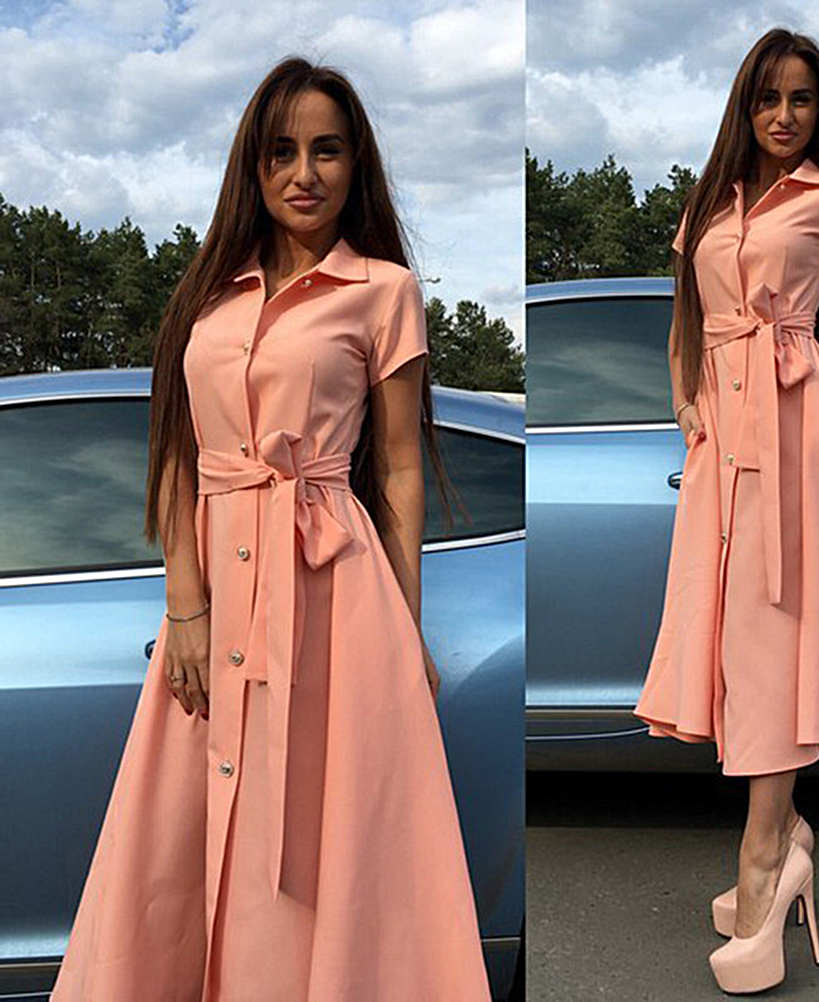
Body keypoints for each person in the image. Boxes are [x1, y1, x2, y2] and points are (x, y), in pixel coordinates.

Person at [50, 57, 492, 1002]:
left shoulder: (383, 290)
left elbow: (399, 468)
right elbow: (179, 456)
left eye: (327, 150)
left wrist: (406, 626)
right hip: (216, 601)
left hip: (334, 596)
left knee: (316, 846)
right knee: (183, 835)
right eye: (282, 152)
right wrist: (186, 606)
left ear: (355, 163)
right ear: (252, 166)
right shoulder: (207, 296)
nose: (305, 173)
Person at [632, 28, 819, 994]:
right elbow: (682, 319)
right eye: (766, 98)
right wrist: (685, 405)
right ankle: (785, 834)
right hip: (721, 448)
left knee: (775, 639)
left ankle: (762, 860)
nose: (783, 116)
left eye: (800, 98)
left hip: (797, 442)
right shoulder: (710, 201)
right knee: (734, 644)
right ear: (744, 108)